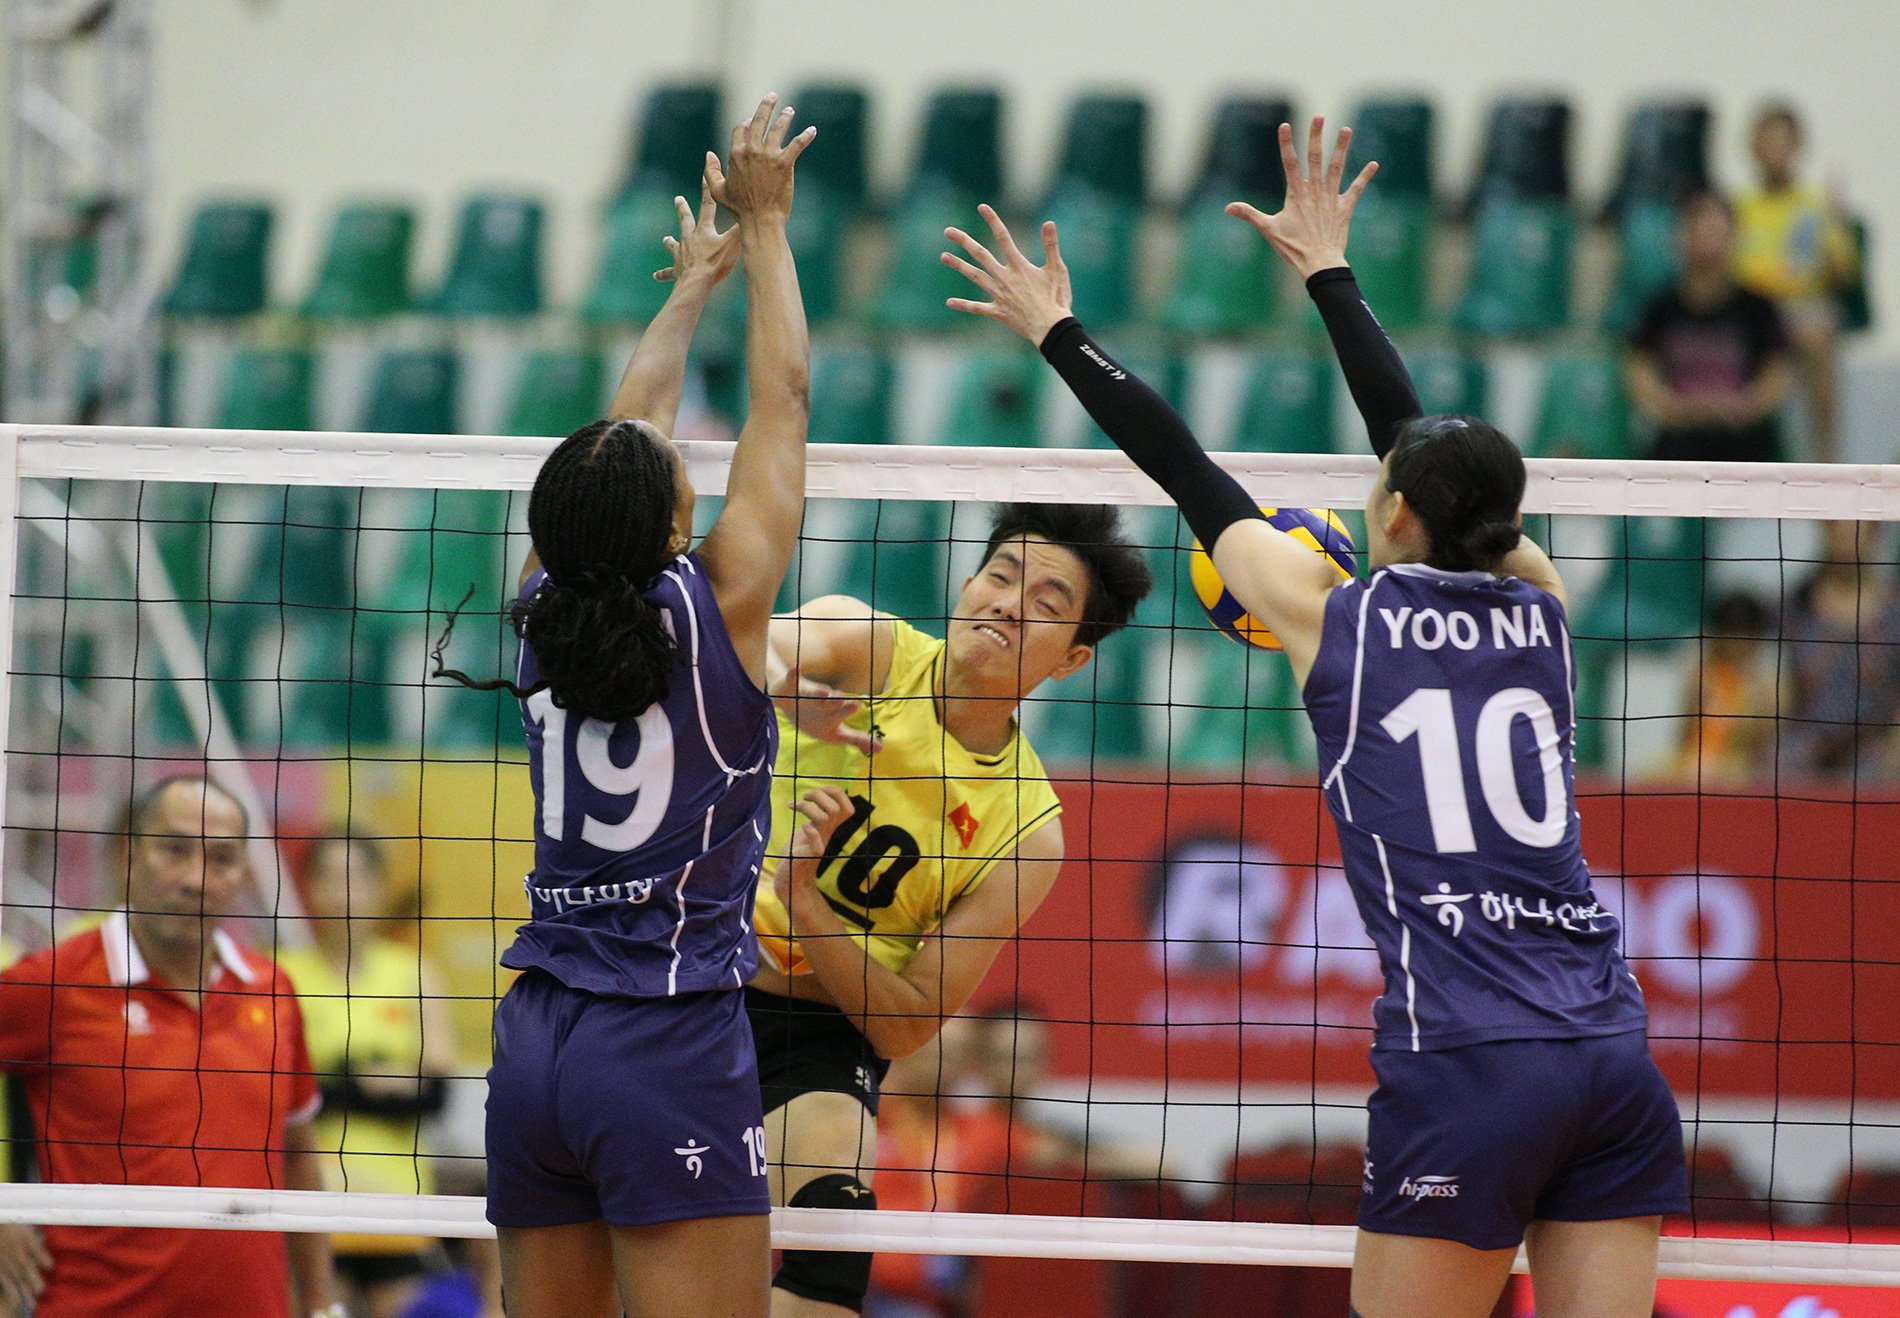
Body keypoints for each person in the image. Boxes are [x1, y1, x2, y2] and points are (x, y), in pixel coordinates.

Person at [945, 117, 1688, 1318]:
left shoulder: (1332, 616)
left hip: (1467, 1060)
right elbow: (1427, 459)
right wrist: (1332, 275)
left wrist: (1058, 333)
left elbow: (1184, 465)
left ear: (1390, 516)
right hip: (1609, 1053)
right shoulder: (1542, 604)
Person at [436, 93, 814, 1318]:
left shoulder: (540, 604)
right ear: (675, 523)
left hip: (536, 1034)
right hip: (663, 1031)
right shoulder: (727, 603)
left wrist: (682, 291)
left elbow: (624, 428)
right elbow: (784, 403)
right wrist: (762, 233)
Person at [747, 501, 1152, 1317]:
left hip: (815, 1037)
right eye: (1001, 576)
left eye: (1044, 601)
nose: (1009, 601)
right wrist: (784, 688)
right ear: (966, 584)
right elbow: (734, 645)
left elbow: (904, 1027)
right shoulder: (866, 648)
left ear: (1071, 659)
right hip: (684, 981)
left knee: (834, 1253)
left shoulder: (1029, 832)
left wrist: (806, 906)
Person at [0, 775, 342, 1318]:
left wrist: (324, 1306)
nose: (197, 880)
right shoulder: (54, 983)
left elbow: (299, 1153)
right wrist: (3, 1209)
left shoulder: (273, 990)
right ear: (126, 857)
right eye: (175, 850)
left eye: (223, 859)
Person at [279, 830, 462, 1318]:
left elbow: (437, 1094)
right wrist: (369, 1079)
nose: (344, 891)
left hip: (394, 1202)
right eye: (330, 876)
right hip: (308, 1200)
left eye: (358, 876)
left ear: (379, 888)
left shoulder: (413, 972)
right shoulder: (281, 974)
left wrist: (328, 1081)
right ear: (308, 887)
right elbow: (273, 1093)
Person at [1625, 190, 1794, 464]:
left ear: (1734, 237)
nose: (1708, 242)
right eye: (1700, 231)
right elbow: (1639, 370)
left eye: (1717, 232)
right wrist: (1672, 407)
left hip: (1745, 448)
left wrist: (1742, 408)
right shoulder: (1660, 307)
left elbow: (1778, 374)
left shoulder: (1758, 308)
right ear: (1682, 236)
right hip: (1677, 445)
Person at [1733, 103, 1859, 463]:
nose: (1775, 151)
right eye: (1766, 141)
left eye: (1783, 141)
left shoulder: (1816, 206)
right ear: (1753, 148)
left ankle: (1826, 460)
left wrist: (1837, 221)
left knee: (1816, 330)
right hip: (1751, 311)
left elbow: (1842, 273)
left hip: (1801, 313)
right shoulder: (1739, 206)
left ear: (1798, 146)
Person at [1780, 523, 1900, 781]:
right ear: (1824, 530)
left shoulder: (1895, 611)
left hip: (1875, 746)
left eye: (1857, 528)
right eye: (1837, 527)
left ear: (1875, 534)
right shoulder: (1796, 605)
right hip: (1805, 744)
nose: (1846, 538)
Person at [1673, 592, 1778, 786]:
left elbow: (1765, 739)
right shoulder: (1700, 666)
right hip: (1689, 761)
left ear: (1756, 637)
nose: (1735, 645)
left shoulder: (1769, 677)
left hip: (1743, 768)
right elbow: (1686, 728)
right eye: (1729, 635)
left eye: (1743, 635)